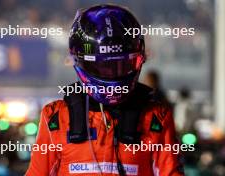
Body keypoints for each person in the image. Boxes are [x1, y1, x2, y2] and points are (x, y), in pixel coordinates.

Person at [26, 4, 184, 176]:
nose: (113, 75)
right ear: (81, 61)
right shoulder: (56, 119)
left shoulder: (156, 119)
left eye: (120, 65)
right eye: (104, 67)